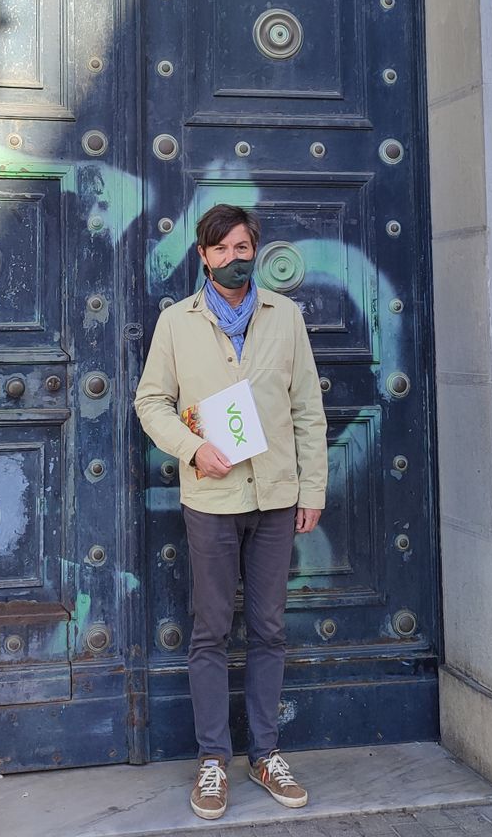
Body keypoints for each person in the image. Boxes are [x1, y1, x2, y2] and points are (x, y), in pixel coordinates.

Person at [133, 203, 328, 821]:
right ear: (203, 257)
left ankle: (265, 754)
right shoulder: (176, 323)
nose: (233, 258)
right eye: (221, 249)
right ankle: (213, 760)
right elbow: (151, 402)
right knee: (211, 629)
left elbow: (307, 409)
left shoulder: (284, 316)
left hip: (275, 498)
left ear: (256, 251)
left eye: (242, 247)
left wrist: (312, 489)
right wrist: (194, 448)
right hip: (212, 501)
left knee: (269, 628)